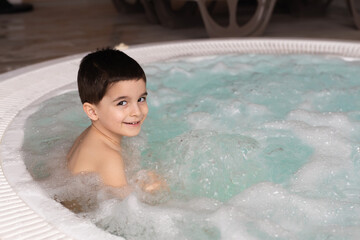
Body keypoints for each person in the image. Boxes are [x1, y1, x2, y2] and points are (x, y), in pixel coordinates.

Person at [67, 48, 165, 197]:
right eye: (122, 103)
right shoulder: (110, 158)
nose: (137, 112)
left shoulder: (91, 135)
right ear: (92, 111)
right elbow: (125, 212)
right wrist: (151, 191)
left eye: (141, 99)